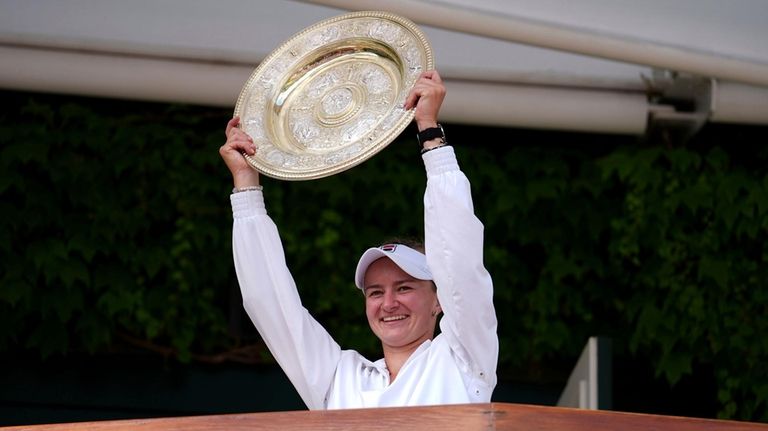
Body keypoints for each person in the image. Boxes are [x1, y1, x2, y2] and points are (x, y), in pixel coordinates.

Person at [219, 70, 498, 409]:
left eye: (405, 287)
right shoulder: (339, 378)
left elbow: (460, 264)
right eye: (375, 292)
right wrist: (246, 184)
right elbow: (270, 303)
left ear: (439, 301)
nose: (389, 303)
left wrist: (430, 134)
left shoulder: (462, 360)